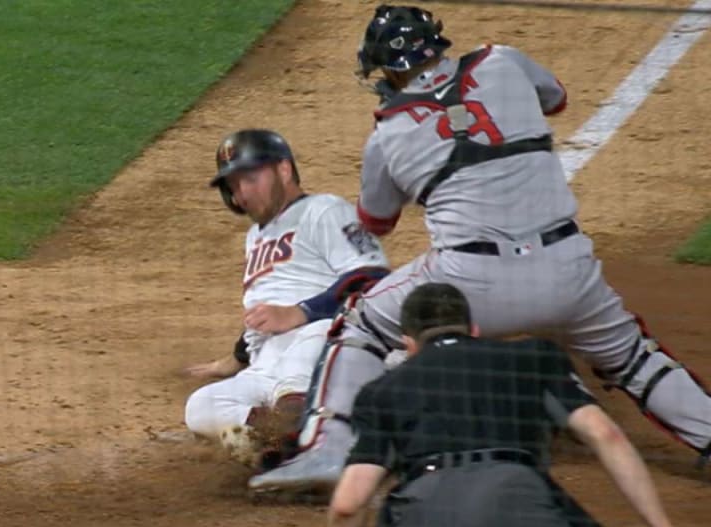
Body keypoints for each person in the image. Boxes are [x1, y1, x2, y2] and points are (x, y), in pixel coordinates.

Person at [248, 4, 711, 495]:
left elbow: (375, 221)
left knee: (362, 324)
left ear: (385, 68)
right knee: (635, 358)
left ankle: (332, 448)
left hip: (471, 286)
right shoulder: (503, 60)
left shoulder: (387, 132)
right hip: (570, 272)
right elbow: (555, 98)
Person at [324, 282, 702, 527]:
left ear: (409, 344)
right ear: (474, 328)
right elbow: (606, 435)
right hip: (516, 512)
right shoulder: (533, 357)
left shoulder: (382, 390)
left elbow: (347, 504)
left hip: (426, 524)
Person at [183, 128, 391, 469]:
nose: (240, 194)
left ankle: (297, 429)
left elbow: (374, 277)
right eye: (233, 186)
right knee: (200, 405)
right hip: (267, 362)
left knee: (313, 341)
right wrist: (235, 358)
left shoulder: (323, 210)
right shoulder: (255, 236)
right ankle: (281, 441)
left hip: (322, 341)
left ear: (283, 169)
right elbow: (269, 306)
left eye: (249, 179)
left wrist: (302, 312)